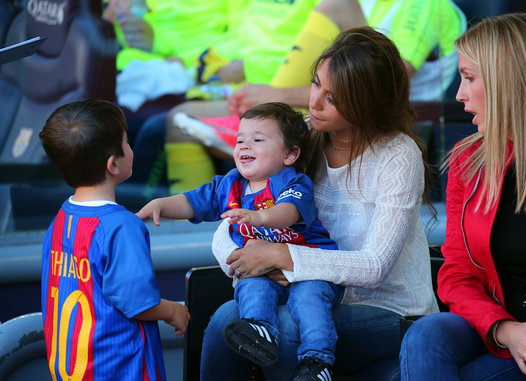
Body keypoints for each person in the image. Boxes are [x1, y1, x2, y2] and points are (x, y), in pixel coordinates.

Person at [199, 26, 439, 380]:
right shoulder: (303, 137)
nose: (313, 102)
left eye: (333, 97)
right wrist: (246, 263)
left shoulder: (398, 155)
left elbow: (374, 267)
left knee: (285, 328)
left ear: (367, 101)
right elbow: (231, 222)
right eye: (315, 84)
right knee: (225, 319)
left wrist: (284, 258)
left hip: (391, 308)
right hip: (311, 294)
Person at [399, 13, 526, 381]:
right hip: (494, 325)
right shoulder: (468, 158)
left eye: (469, 78)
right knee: (427, 334)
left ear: (509, 81)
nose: (459, 94)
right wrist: (505, 329)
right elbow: (456, 274)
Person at [137, 102, 342, 379]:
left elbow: (289, 212)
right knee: (252, 286)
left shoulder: (292, 182)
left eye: (258, 140)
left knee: (310, 300)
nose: (245, 146)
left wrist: (259, 218)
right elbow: (193, 202)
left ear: (290, 154)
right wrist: (162, 204)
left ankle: (317, 361)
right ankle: (260, 333)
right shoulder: (229, 184)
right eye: (240, 140)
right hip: (265, 271)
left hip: (308, 266)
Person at [164, 0, 466, 187]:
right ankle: (205, 231)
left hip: (384, 116)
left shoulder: (425, 3)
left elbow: (388, 79)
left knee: (336, 4)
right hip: (335, 108)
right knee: (181, 118)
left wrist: (278, 95)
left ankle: (271, 116)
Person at [39, 99, 190, 380]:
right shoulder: (121, 226)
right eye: (127, 142)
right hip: (120, 369)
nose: (130, 148)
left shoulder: (62, 218)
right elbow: (138, 303)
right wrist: (173, 310)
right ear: (113, 164)